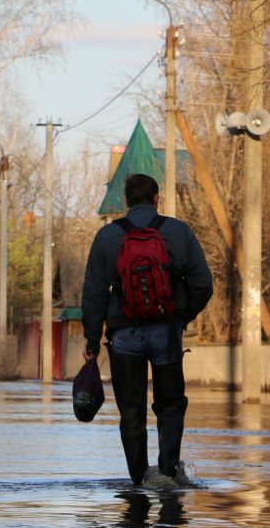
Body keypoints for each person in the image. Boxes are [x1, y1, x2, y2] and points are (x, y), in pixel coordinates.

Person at [81, 173, 213, 490]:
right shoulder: (178, 232)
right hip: (165, 333)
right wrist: (180, 318)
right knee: (170, 405)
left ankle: (140, 481)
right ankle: (167, 474)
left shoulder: (107, 237)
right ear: (157, 198)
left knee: (131, 411)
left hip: (124, 335)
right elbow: (203, 285)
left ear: (126, 202)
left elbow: (94, 293)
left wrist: (91, 341)